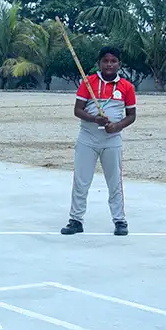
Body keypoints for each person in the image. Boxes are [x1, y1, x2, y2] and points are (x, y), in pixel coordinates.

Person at [60, 46, 137, 237]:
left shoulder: (127, 87)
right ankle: (76, 220)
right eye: (105, 61)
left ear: (119, 64)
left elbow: (132, 115)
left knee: (115, 182)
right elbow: (77, 110)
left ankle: (120, 220)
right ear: (99, 63)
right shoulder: (88, 82)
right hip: (87, 138)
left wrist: (117, 126)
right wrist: (95, 119)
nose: (109, 64)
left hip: (112, 139)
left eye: (113, 61)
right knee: (81, 180)